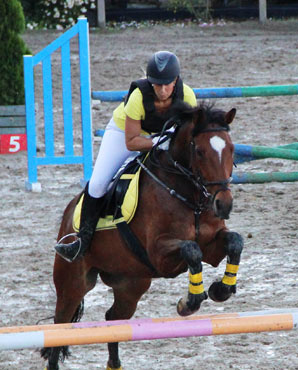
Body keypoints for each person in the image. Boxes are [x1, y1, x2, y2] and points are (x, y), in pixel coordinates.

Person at [55, 50, 197, 262]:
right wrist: (159, 142)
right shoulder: (138, 97)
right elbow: (132, 142)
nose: (162, 90)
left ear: (176, 80)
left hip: (161, 135)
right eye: (157, 84)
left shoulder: (187, 96)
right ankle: (82, 242)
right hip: (124, 134)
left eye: (167, 84)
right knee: (98, 184)